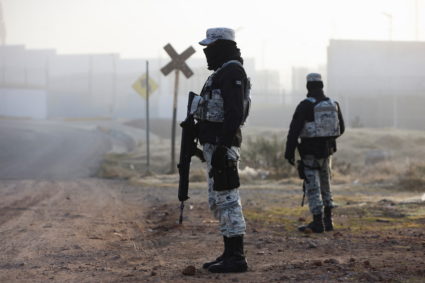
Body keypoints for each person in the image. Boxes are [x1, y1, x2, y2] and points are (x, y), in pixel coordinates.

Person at [192, 27, 250, 273]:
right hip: (215, 145)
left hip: (222, 146)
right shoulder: (220, 73)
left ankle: (236, 257)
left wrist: (223, 146)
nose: (207, 53)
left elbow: (234, 112)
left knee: (228, 201)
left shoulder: (232, 71)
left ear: (222, 47)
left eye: (210, 48)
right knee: (219, 201)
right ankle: (229, 253)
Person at [284, 73, 345, 233]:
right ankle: (328, 220)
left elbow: (294, 131)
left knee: (312, 187)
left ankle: (318, 222)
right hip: (327, 153)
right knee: (326, 185)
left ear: (308, 86)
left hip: (309, 153)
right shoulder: (333, 104)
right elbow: (341, 129)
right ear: (322, 85)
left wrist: (289, 152)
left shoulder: (305, 105)